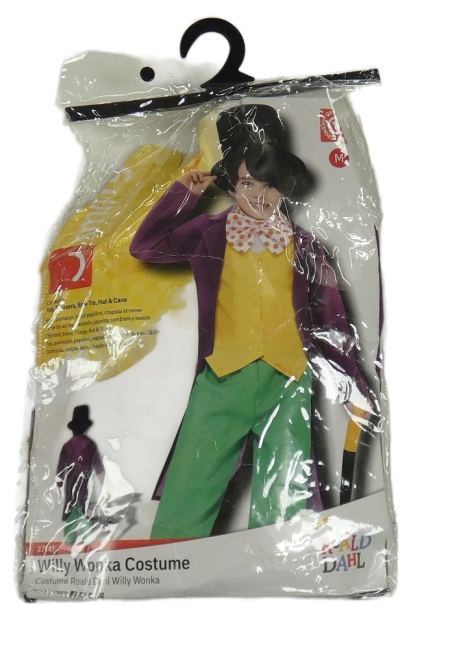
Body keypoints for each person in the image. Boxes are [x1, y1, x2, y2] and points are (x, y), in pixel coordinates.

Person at [130, 104, 371, 540]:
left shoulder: (306, 246)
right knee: (187, 492)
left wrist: (353, 384)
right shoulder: (209, 232)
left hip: (289, 380)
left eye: (270, 184)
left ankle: (277, 564)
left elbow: (333, 321)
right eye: (247, 183)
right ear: (233, 183)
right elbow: (146, 247)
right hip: (223, 378)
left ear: (285, 187)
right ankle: (173, 561)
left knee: (285, 504)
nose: (259, 194)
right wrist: (184, 195)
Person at [56, 405, 105, 543]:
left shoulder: (67, 445)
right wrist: (104, 482)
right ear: (86, 427)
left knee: (71, 509)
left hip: (71, 484)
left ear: (73, 428)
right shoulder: (90, 444)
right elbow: (98, 466)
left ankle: (69, 539)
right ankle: (87, 538)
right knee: (84, 509)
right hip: (86, 484)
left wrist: (59, 483)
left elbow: (60, 468)